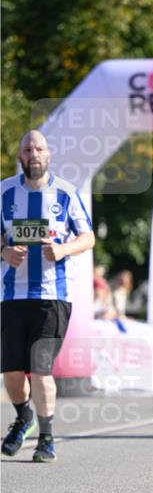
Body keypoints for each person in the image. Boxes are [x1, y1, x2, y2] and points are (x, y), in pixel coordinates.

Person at [1, 130, 95, 462]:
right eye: (27, 148)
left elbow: (88, 237)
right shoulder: (4, 192)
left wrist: (64, 248)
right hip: (12, 296)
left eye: (39, 148)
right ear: (20, 156)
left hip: (53, 296)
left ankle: (46, 437)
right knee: (12, 373)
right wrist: (4, 250)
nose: (34, 153)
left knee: (40, 369)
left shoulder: (66, 193)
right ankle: (23, 415)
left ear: (49, 154)